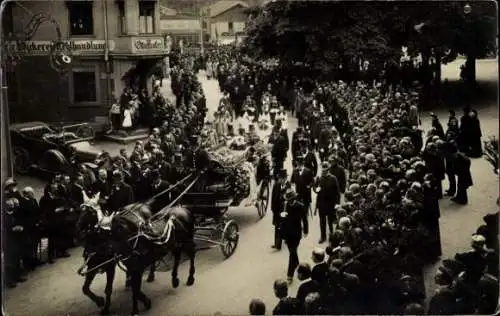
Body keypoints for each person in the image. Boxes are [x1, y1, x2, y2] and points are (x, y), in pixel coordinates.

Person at [280, 185, 305, 283]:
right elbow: (283, 218)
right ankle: (298, 265)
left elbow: (305, 219)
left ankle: (289, 274)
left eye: (290, 199)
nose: (288, 201)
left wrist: (306, 230)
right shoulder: (285, 205)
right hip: (287, 233)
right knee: (292, 252)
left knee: (292, 253)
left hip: (296, 233)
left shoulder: (300, 206)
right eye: (288, 199)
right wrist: (282, 215)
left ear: (294, 198)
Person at [314, 162, 341, 243]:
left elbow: (337, 191)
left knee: (330, 221)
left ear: (328, 170)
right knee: (322, 221)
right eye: (322, 170)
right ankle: (323, 236)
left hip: (330, 203)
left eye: (325, 170)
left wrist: (337, 203)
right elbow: (315, 188)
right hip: (321, 203)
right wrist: (316, 189)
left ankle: (331, 235)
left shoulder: (333, 178)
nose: (323, 172)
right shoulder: (319, 178)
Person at [291, 156, 314, 236]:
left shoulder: (308, 171)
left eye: (301, 163)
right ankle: (297, 229)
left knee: (304, 214)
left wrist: (309, 186)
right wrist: (293, 189)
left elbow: (312, 182)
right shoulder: (295, 171)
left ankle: (306, 231)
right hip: (297, 196)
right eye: (298, 163)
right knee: (297, 213)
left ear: (303, 163)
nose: (299, 165)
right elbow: (292, 182)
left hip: (306, 196)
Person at [271, 170, 287, 250]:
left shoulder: (287, 186)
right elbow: (273, 198)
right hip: (277, 210)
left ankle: (279, 243)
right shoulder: (276, 185)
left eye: (282, 179)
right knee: (277, 227)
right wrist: (273, 209)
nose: (281, 180)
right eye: (280, 178)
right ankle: (277, 244)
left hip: (284, 210)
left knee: (282, 227)